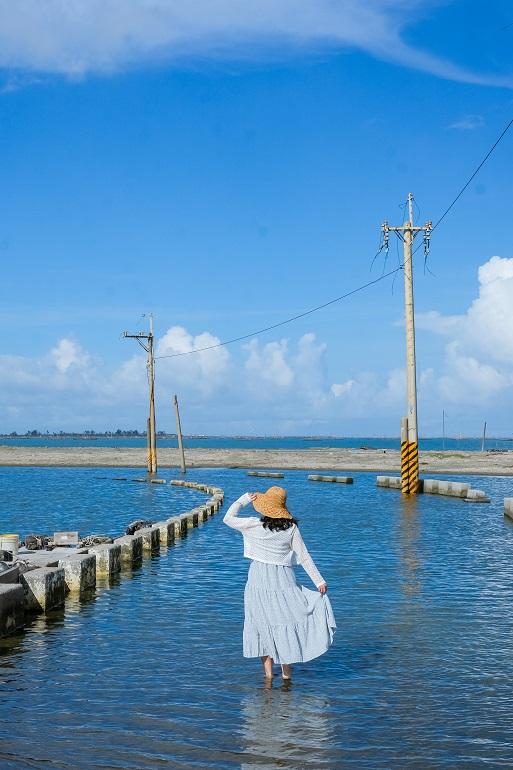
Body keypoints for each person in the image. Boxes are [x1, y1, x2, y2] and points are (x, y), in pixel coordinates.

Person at [223, 485, 336, 681]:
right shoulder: (291, 529)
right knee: (284, 621)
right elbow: (304, 557)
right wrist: (319, 581)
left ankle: (268, 677)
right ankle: (286, 675)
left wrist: (243, 500)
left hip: (257, 581)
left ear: (264, 508)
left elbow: (228, 518)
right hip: (283, 580)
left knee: (260, 625)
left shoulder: (253, 525)